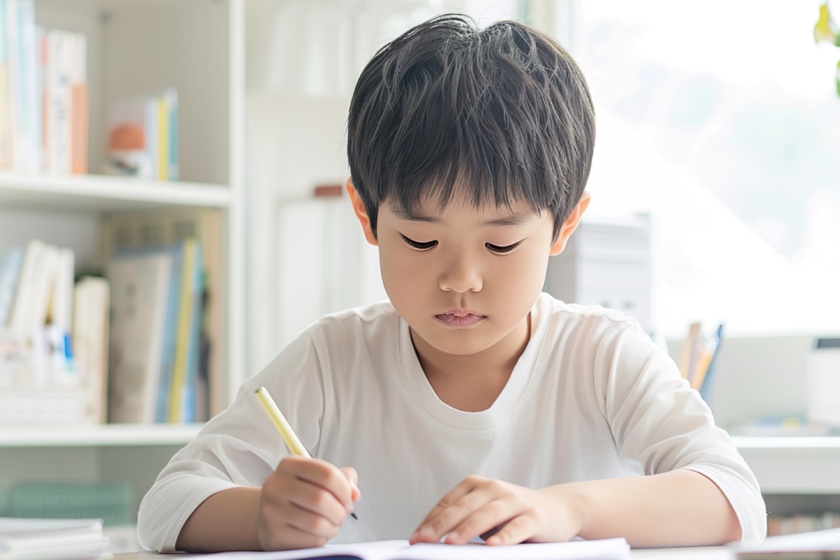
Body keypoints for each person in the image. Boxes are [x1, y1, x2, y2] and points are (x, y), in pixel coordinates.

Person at [137, 14, 767, 552]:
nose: (460, 278)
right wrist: (258, 516)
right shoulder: (332, 362)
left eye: (499, 243)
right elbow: (166, 503)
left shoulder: (601, 358)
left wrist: (566, 510)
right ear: (367, 217)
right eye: (420, 240)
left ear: (564, 224)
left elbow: (738, 501)